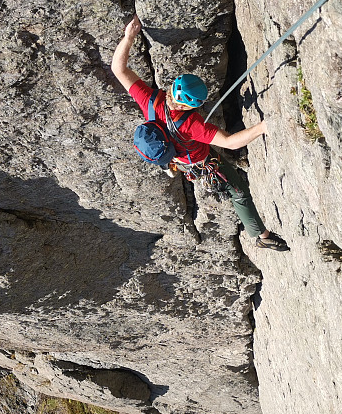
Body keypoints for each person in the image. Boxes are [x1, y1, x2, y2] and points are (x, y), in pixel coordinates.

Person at [111, 14, 288, 251]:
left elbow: (118, 69)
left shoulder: (150, 101)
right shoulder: (192, 125)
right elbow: (231, 142)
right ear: (189, 106)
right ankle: (262, 236)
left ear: (173, 87)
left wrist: (129, 36)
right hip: (202, 162)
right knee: (239, 192)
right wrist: (264, 127)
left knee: (198, 159)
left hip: (181, 159)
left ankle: (169, 163)